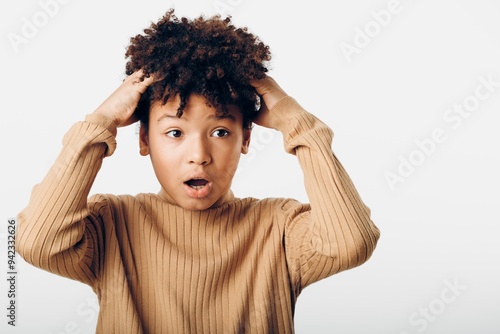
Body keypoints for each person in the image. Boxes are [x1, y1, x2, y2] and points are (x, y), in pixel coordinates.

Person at [16, 9, 380, 334]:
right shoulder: (113, 224)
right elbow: (37, 242)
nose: (199, 155)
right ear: (144, 139)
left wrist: (299, 124)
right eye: (174, 132)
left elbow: (351, 242)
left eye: (220, 132)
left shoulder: (279, 227)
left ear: (245, 138)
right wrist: (100, 122)